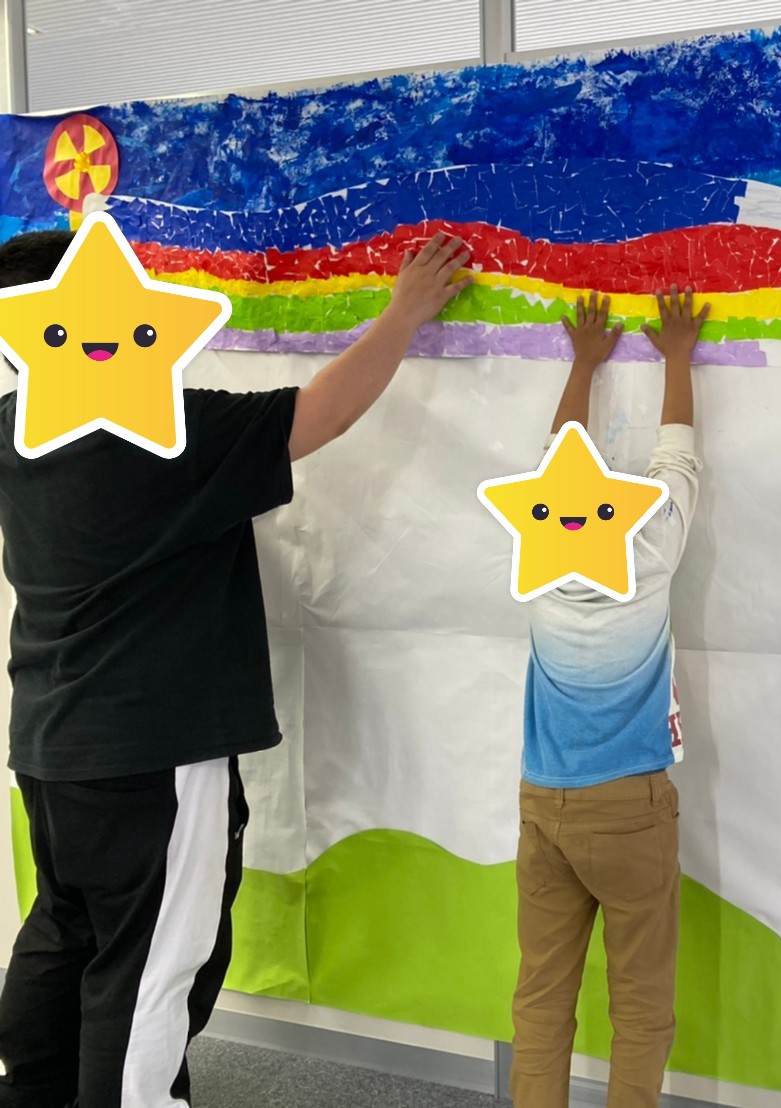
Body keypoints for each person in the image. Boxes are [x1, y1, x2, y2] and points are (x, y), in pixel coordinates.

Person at [0, 227, 471, 1107]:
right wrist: (403, 315)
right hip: (153, 756)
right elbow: (322, 414)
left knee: (65, 927)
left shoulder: (14, 434)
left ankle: (32, 1092)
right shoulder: (164, 437)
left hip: (51, 747)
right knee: (152, 964)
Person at [511, 288, 707, 1108]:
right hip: (631, 809)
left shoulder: (534, 557)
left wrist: (584, 363)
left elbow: (551, 467)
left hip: (543, 804)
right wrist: (677, 357)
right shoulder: (650, 553)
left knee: (541, 997)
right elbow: (678, 464)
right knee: (642, 1003)